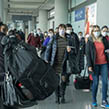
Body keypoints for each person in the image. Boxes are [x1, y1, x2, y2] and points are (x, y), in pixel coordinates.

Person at [44, 24, 73, 104]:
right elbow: (48, 49)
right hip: (55, 62)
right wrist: (46, 59)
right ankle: (57, 97)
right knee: (56, 80)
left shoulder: (69, 39)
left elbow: (74, 50)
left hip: (64, 62)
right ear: (58, 29)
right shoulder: (54, 38)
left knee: (63, 80)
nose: (62, 30)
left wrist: (70, 50)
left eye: (63, 29)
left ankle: (62, 95)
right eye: (60, 29)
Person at [86, 25, 109, 108]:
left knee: (105, 82)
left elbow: (107, 49)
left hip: (104, 63)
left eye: (98, 30)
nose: (97, 32)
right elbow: (88, 54)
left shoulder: (103, 40)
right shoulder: (90, 41)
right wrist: (89, 65)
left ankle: (104, 100)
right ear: (92, 32)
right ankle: (94, 100)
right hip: (94, 64)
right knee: (95, 83)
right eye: (95, 30)